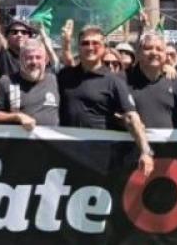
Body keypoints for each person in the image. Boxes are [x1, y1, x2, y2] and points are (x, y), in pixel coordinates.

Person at [58, 26, 154, 176]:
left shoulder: (114, 81)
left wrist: (145, 151)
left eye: (95, 43)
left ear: (104, 48)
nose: (90, 47)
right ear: (79, 47)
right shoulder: (65, 75)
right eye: (85, 43)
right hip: (66, 156)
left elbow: (131, 117)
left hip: (99, 158)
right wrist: (65, 44)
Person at [126, 33, 177, 132]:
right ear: (138, 53)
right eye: (148, 48)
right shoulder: (123, 79)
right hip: (132, 141)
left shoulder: (174, 79)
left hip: (170, 141)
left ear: (165, 55)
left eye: (159, 49)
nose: (154, 52)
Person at [0, 40, 60, 129]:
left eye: (38, 57)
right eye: (29, 57)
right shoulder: (6, 82)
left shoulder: (56, 81)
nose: (34, 62)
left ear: (46, 60)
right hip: (18, 137)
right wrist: (17, 117)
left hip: (52, 137)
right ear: (20, 60)